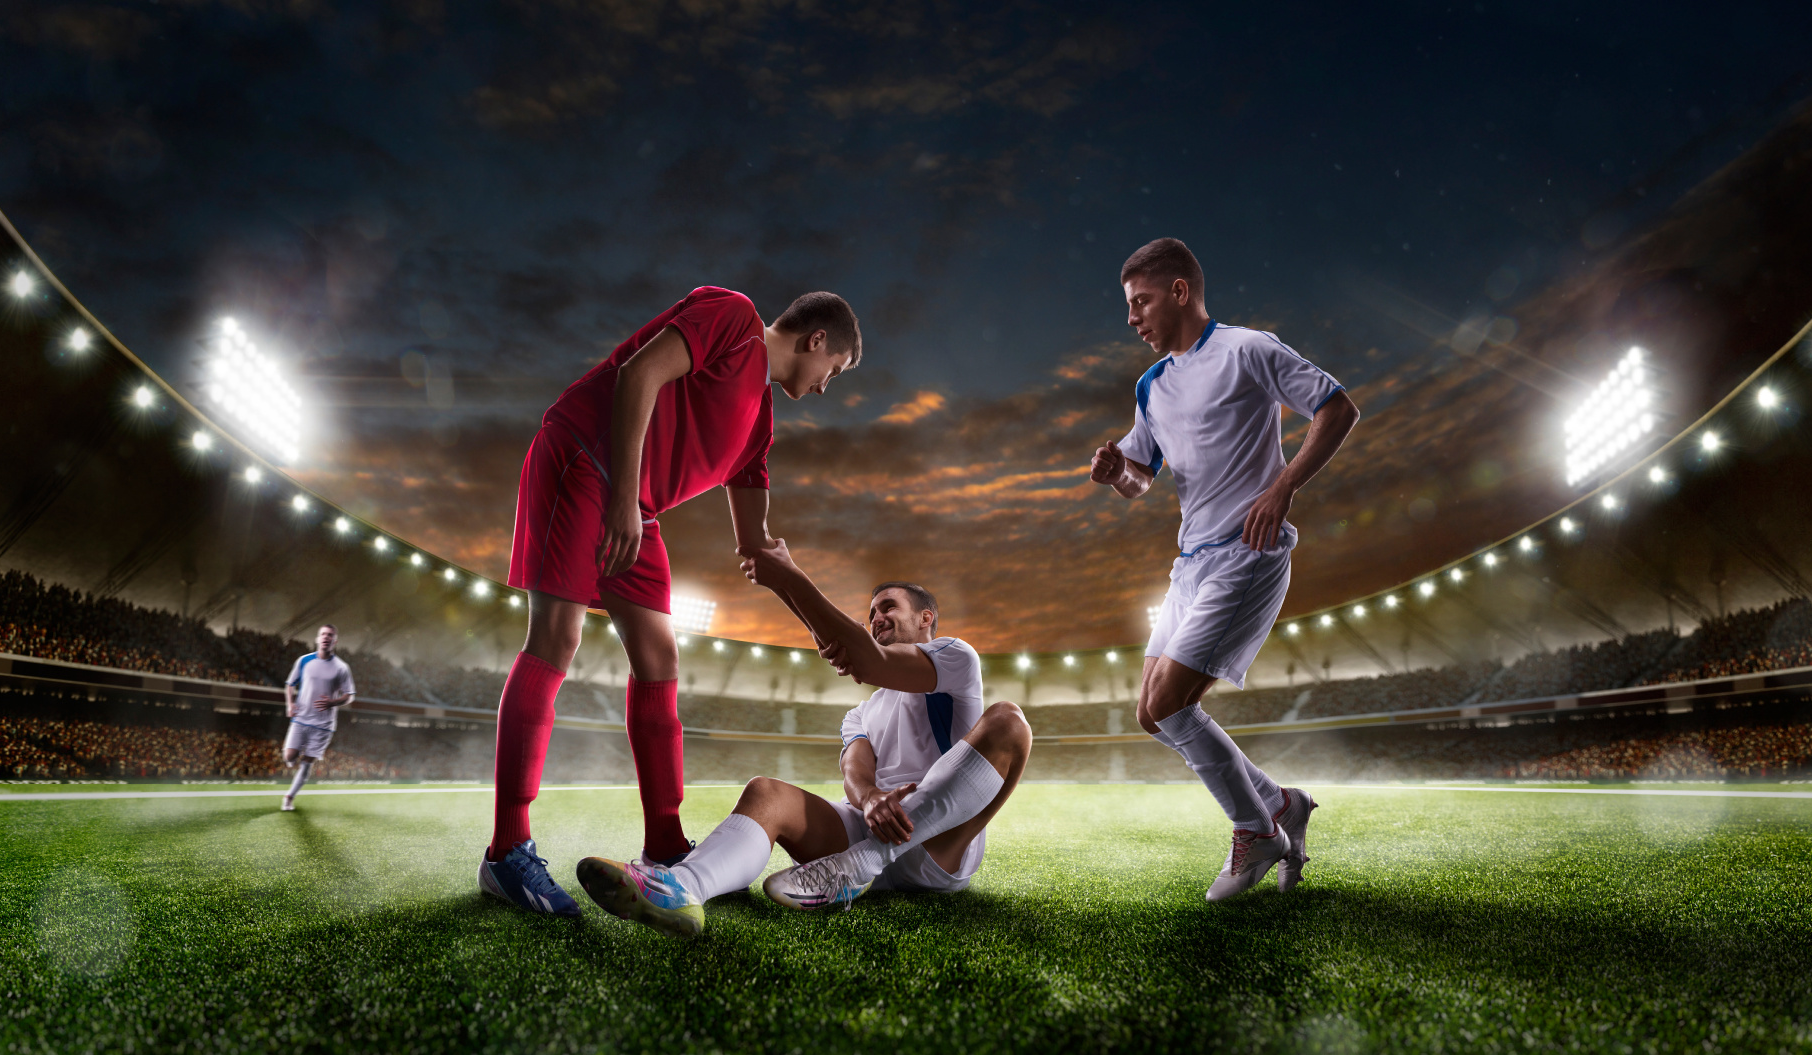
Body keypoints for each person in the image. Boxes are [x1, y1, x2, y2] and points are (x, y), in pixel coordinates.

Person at [479, 288, 863, 917]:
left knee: (660, 656)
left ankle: (663, 846)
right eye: (836, 371)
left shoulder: (759, 423)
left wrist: (821, 627)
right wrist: (625, 497)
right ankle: (505, 853)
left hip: (637, 507)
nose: (827, 386)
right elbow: (640, 373)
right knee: (556, 638)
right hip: (585, 459)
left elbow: (757, 550)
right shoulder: (734, 318)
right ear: (816, 340)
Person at [1088, 238, 1359, 901]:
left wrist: (1282, 487)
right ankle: (1281, 806)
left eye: (1141, 302)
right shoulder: (1150, 386)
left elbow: (1337, 409)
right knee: (1151, 715)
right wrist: (1112, 470)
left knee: (1167, 703)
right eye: (1128, 307)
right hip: (1190, 563)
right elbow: (1139, 480)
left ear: (1179, 291)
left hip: (1249, 551)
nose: (1132, 319)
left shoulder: (1247, 349)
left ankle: (1255, 828)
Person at [574, 559, 1030, 938]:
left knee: (1009, 721)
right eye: (871, 614)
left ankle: (860, 865)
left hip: (937, 847)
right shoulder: (862, 712)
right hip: (874, 827)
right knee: (765, 792)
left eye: (888, 607)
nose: (876, 619)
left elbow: (871, 661)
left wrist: (787, 576)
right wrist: (870, 800)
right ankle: (683, 888)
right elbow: (855, 768)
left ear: (926, 618)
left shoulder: (956, 659)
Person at [280, 623, 356, 811]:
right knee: (289, 756)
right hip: (301, 718)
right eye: (323, 634)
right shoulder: (304, 661)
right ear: (317, 638)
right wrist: (290, 704)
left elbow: (349, 695)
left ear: (335, 641)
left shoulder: (341, 668)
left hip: (323, 724)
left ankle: (289, 797)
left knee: (306, 764)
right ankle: (291, 758)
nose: (326, 637)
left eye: (330, 635)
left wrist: (332, 702)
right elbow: (290, 685)